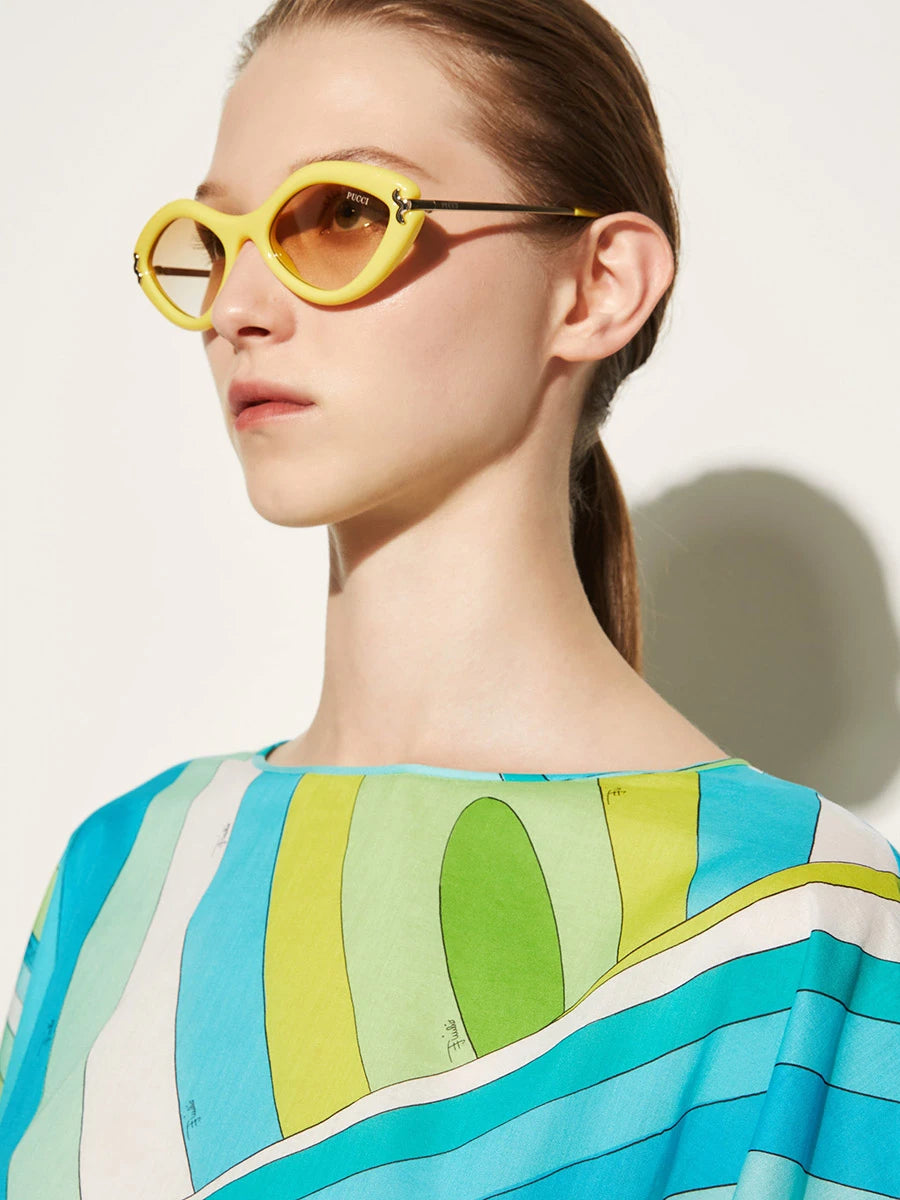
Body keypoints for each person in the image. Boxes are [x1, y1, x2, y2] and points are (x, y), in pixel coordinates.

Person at [2, 1, 899, 1197]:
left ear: (596, 286)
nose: (236, 308)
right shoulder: (118, 874)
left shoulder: (802, 929)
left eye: (341, 215)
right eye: (213, 241)